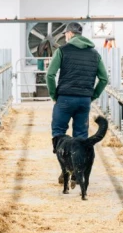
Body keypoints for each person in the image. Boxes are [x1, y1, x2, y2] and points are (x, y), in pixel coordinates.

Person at [46, 22, 108, 153]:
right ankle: (77, 168)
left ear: (69, 33)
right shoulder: (94, 54)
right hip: (84, 100)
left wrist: (53, 95)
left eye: (65, 35)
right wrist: (93, 96)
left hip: (65, 98)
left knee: (59, 133)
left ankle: (65, 168)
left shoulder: (62, 50)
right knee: (81, 137)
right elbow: (104, 79)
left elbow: (50, 75)